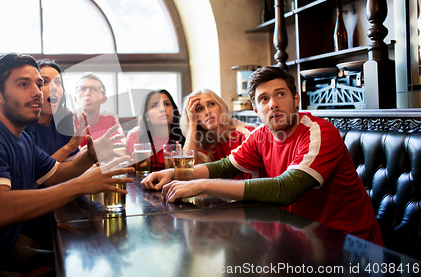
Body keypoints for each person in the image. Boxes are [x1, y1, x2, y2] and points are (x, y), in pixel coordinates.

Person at [0, 53, 133, 274]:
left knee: (83, 259)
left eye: (39, 84)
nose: (37, 92)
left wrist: (89, 157)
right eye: (23, 84)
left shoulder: (21, 138)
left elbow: (56, 172)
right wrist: (81, 185)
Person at [141, 66, 383, 245]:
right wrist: (174, 172)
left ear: (296, 99)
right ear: (255, 109)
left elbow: (285, 188)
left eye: (281, 94)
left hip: (347, 243)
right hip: (300, 236)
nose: (273, 104)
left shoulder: (319, 132)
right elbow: (225, 167)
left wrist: (199, 184)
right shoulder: (261, 135)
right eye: (264, 99)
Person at [25, 60, 124, 162]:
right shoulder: (22, 127)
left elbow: (70, 163)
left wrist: (87, 157)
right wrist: (71, 149)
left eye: (58, 82)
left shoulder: (64, 122)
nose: (53, 87)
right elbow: (34, 172)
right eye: (44, 82)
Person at [180, 89, 260, 179]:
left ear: (221, 107)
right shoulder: (206, 147)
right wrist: (192, 123)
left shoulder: (246, 134)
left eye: (211, 104)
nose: (207, 112)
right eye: (200, 109)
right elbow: (185, 172)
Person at [126, 89, 185, 170]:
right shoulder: (134, 136)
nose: (163, 109)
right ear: (146, 117)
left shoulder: (185, 134)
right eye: (155, 106)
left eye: (167, 104)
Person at [75, 72, 126, 154]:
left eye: (95, 89)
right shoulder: (69, 121)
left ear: (104, 99)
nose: (87, 92)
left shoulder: (110, 118)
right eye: (82, 89)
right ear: (75, 98)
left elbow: (121, 152)